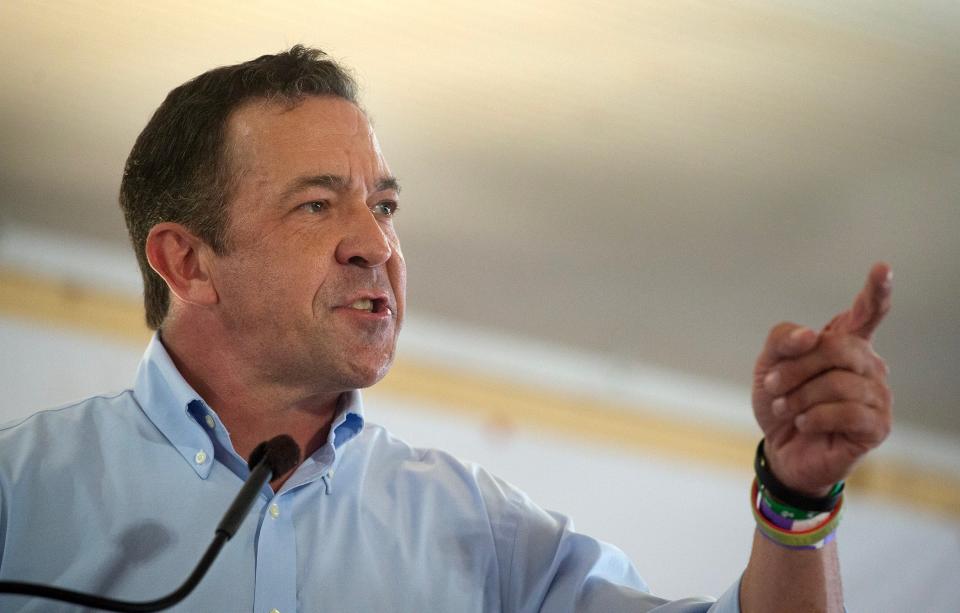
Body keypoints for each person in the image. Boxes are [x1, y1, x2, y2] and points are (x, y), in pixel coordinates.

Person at [0, 46, 892, 612]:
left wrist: (797, 502)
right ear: (187, 263)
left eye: (384, 204)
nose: (376, 244)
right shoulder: (20, 494)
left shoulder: (484, 536)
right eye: (318, 204)